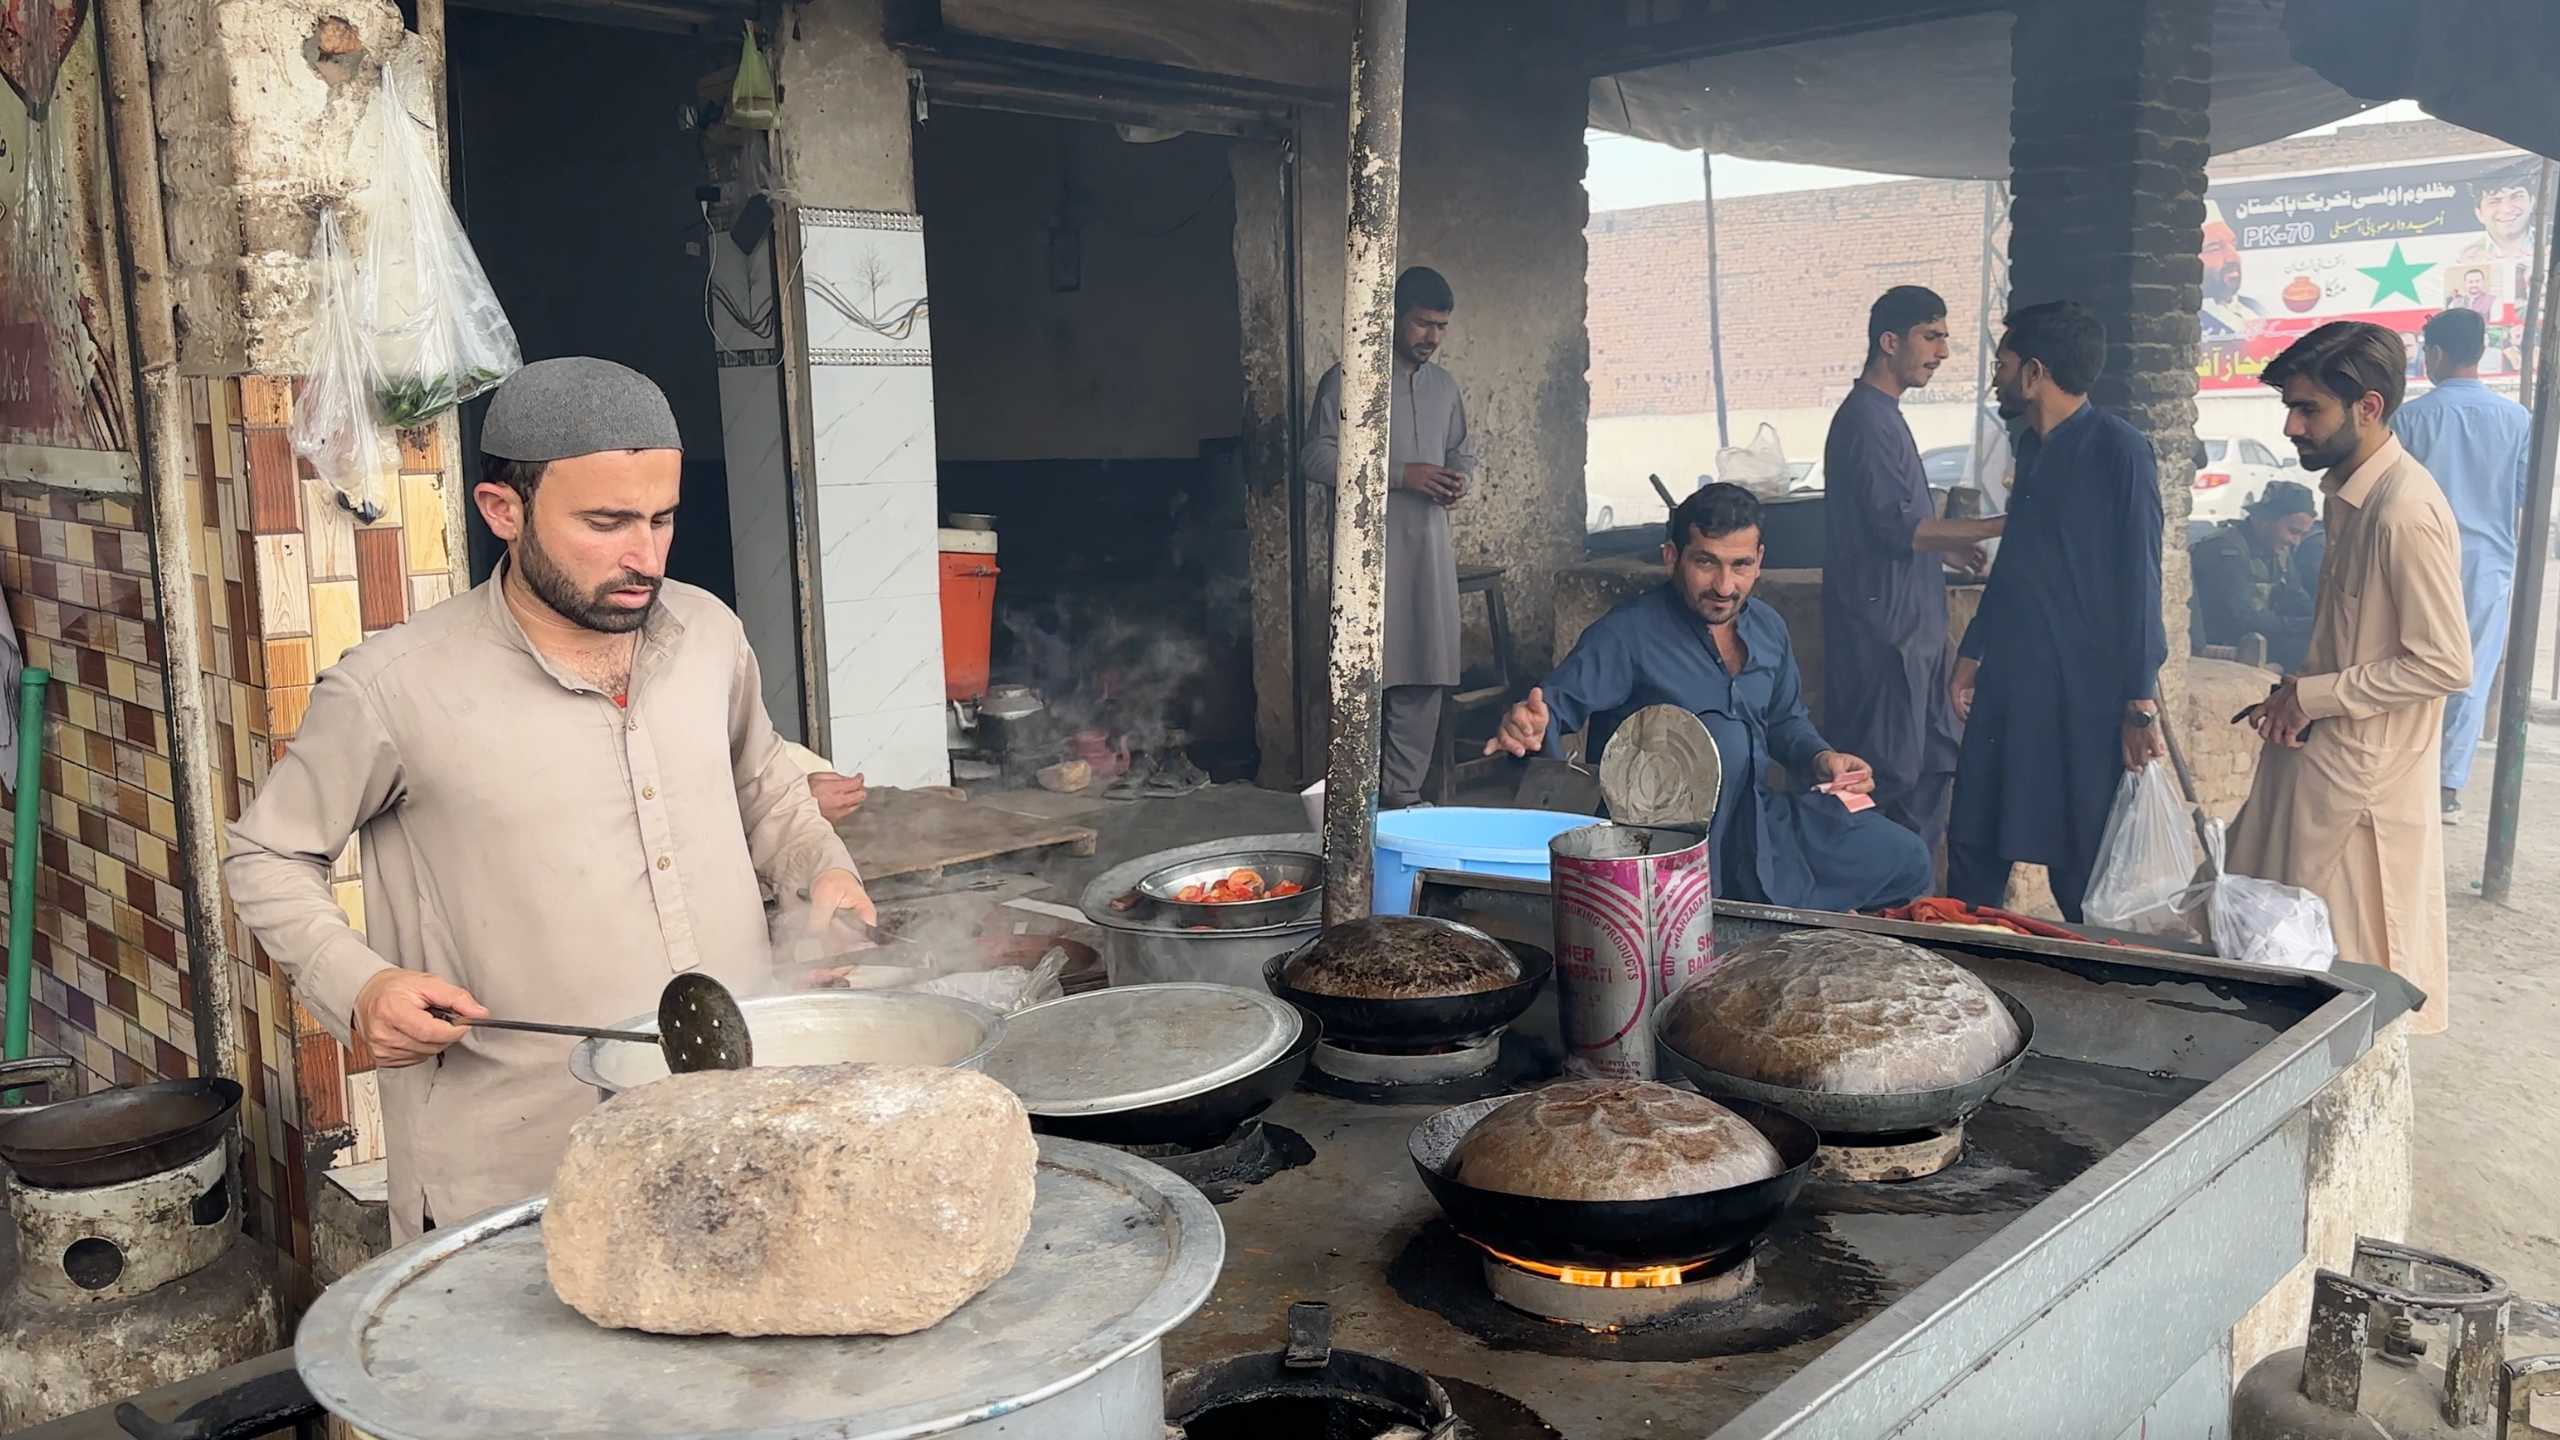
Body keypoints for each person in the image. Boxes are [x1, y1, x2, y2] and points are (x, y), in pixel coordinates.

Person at [225, 358, 876, 1241]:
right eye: (604, 523)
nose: (642, 556)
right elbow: (266, 854)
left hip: (732, 1124)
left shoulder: (709, 634)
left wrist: (821, 872)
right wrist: (359, 984)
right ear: (504, 511)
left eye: (661, 519)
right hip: (520, 1176)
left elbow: (764, 785)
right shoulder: (395, 688)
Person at [1483, 485, 1931, 911]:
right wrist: (1527, 725)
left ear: (1759, 560)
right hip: (1668, 850)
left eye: (1740, 565)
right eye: (1706, 562)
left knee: (1905, 858)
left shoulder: (1768, 628)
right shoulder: (1628, 634)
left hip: (1760, 828)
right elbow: (1554, 706)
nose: (1724, 585)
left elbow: (1785, 721)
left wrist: (1822, 758)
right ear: (1671, 557)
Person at [2227, 322, 2469, 1036]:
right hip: (2320, 762)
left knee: (2348, 996)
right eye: (2291, 407)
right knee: (2277, 972)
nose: (2291, 425)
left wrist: (2315, 696)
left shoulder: (2403, 511)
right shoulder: (2349, 494)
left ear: (2367, 406)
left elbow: (2444, 662)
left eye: (2309, 410)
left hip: (2367, 787)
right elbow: (2351, 637)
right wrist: (2295, 694)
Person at [1946, 302, 2167, 923]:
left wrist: (2139, 700)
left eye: (2004, 364)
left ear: (2035, 372)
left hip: (2085, 695)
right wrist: (1972, 651)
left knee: (2083, 874)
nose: (1996, 377)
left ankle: (2095, 991)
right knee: (1973, 844)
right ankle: (1968, 975)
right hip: (2012, 684)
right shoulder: (2032, 447)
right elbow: (2017, 559)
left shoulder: (2120, 451)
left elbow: (2141, 583)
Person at [1819, 285, 2005, 862]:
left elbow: (1903, 532)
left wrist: (1943, 552)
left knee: (1925, 777)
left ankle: (1912, 915)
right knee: (1884, 782)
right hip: (1883, 643)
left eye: (1945, 337)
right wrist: (2003, 523)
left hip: (1914, 637)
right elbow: (1898, 528)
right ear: (1889, 341)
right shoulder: (1865, 421)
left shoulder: (1887, 416)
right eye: (1932, 336)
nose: (1942, 352)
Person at [1302, 266, 1478, 809]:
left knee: (1424, 672)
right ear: (1393, 316)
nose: (1432, 337)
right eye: (1423, 323)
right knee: (1366, 677)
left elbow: (1462, 451)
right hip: (1368, 560)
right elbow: (1315, 456)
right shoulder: (1349, 379)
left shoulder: (1445, 387)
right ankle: (1353, 803)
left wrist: (1457, 480)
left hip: (1428, 552)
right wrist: (1403, 476)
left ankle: (1402, 798)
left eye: (1441, 327)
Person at [2391, 306, 2532, 823]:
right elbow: (2525, 495)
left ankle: (2407, 770)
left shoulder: (2410, 418)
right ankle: (2448, 784)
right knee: (2468, 669)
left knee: (2406, 660)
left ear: (2435, 355)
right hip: (2487, 564)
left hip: (2418, 554)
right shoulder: (2518, 419)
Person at [2189, 481, 2320, 671]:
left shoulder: (2278, 551)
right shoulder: (2225, 550)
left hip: (2259, 638)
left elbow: (2296, 598)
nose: (2295, 542)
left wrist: (2319, 620)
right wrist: (2297, 626)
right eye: (2293, 532)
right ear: (2264, 520)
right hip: (2223, 647)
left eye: (2302, 535)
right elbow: (2239, 617)